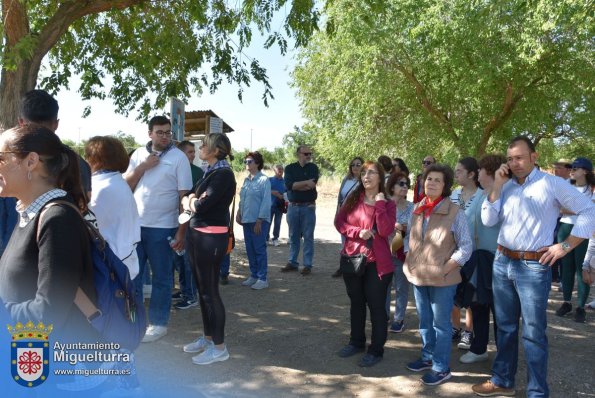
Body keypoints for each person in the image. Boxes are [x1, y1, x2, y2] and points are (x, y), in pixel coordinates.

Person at [472, 136, 595, 397]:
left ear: (533, 157)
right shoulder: (504, 185)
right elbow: (488, 218)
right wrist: (496, 186)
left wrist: (563, 247)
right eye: (510, 158)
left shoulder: (552, 184)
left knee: (533, 333)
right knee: (504, 327)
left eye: (519, 157)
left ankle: (537, 391)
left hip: (533, 266)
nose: (514, 163)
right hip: (502, 261)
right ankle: (503, 381)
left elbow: (589, 210)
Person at [0, 125, 97, 342]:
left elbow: (48, 313)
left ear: (31, 162)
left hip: (56, 366)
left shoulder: (57, 219)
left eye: (1, 158)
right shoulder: (32, 212)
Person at [124, 115, 192, 342]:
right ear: (150, 134)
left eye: (167, 132)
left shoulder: (179, 158)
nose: (164, 136)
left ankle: (158, 323)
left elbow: (185, 197)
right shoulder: (137, 155)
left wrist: (182, 231)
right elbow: (127, 186)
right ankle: (133, 321)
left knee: (162, 278)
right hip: (135, 226)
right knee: (132, 276)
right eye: (160, 132)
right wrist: (143, 167)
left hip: (164, 228)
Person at [404, 163, 472, 386]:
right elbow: (410, 241)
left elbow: (466, 247)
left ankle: (441, 368)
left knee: (441, 325)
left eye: (437, 180)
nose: (431, 183)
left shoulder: (455, 212)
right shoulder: (417, 209)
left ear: (445, 186)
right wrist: (408, 259)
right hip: (418, 276)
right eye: (429, 179)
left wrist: (447, 268)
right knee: (424, 322)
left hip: (444, 279)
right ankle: (427, 357)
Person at [334, 161, 396, 367]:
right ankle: (356, 342)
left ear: (380, 177)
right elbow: (339, 222)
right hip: (353, 259)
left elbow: (386, 230)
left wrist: (379, 204)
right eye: (363, 173)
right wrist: (356, 232)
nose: (366, 176)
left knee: (377, 307)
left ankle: (376, 350)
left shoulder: (388, 204)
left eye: (371, 173)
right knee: (356, 303)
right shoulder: (353, 198)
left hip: (377, 263)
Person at [181, 133, 236, 365]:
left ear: (216, 150)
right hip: (197, 236)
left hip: (210, 239)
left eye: (205, 144)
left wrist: (189, 202)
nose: (200, 147)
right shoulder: (210, 172)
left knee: (210, 292)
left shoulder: (223, 174)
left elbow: (200, 204)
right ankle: (208, 337)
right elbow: (194, 194)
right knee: (203, 291)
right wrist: (192, 199)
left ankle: (220, 347)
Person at [458, 154, 505, 365]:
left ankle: (504, 353)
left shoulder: (504, 194)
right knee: (477, 305)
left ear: (491, 173)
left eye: (481, 171)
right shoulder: (479, 195)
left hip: (498, 260)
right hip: (477, 260)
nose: (478, 174)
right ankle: (479, 349)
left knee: (500, 309)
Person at [18, 89, 92, 199]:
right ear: (56, 124)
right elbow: (85, 202)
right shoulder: (78, 163)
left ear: (21, 123)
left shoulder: (11, 163)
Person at [85, 136, 141, 280]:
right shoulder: (115, 181)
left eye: (87, 155)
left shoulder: (100, 188)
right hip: (123, 258)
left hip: (111, 265)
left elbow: (90, 226)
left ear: (96, 159)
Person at [555, 157, 594, 323]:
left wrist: (572, 209)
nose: (572, 170)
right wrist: (580, 209)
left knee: (581, 268)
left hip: (582, 231)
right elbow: (559, 208)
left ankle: (580, 307)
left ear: (585, 171)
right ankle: (567, 303)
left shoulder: (591, 189)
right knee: (566, 267)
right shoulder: (566, 186)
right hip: (565, 229)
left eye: (576, 168)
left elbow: (590, 210)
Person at [450, 157, 484, 349]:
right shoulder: (453, 194)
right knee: (452, 293)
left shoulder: (482, 195)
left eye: (459, 171)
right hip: (452, 253)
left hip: (473, 254)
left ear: (472, 174)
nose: (456, 174)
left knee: (470, 296)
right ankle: (455, 327)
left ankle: (468, 332)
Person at [172, 140, 204, 309]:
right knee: (178, 260)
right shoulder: (174, 168)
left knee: (187, 260)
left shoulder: (198, 172)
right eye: (189, 152)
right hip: (172, 220)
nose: (193, 155)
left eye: (193, 151)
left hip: (188, 221)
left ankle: (191, 295)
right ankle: (184, 289)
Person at [281, 145, 319, 275]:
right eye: (306, 153)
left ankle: (307, 265)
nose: (308, 156)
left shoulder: (313, 168)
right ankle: (292, 262)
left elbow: (312, 185)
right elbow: (289, 186)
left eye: (310, 153)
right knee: (293, 236)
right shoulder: (290, 168)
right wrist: (305, 183)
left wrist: (297, 185)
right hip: (293, 206)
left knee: (308, 236)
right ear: (298, 154)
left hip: (308, 207)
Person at [237, 151, 271, 290]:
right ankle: (254, 275)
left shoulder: (264, 180)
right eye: (245, 161)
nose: (247, 164)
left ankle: (263, 278)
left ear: (257, 163)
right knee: (250, 249)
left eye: (249, 161)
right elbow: (242, 199)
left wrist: (260, 220)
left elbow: (266, 201)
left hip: (258, 221)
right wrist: (239, 212)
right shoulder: (246, 180)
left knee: (259, 249)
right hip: (247, 220)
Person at [385, 172, 414, 333]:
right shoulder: (385, 205)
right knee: (384, 287)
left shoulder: (412, 207)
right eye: (401, 184)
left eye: (406, 184)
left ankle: (399, 318)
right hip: (384, 253)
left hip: (403, 253)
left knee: (402, 287)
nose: (405, 187)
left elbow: (415, 231)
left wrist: (405, 228)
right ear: (392, 186)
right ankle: (384, 316)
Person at [332, 156, 363, 278]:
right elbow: (340, 198)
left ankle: (356, 266)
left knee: (354, 240)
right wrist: (337, 213)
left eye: (358, 164)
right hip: (343, 213)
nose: (355, 167)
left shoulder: (364, 181)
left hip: (356, 215)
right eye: (353, 165)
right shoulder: (346, 179)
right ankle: (343, 266)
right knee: (344, 241)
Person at [268, 164, 286, 246]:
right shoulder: (269, 180)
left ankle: (275, 239)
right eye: (278, 169)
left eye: (281, 169)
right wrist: (273, 192)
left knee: (277, 223)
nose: (280, 171)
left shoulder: (285, 181)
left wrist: (283, 196)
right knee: (268, 222)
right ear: (274, 170)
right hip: (269, 205)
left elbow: (288, 192)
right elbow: (264, 190)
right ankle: (265, 238)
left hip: (280, 206)